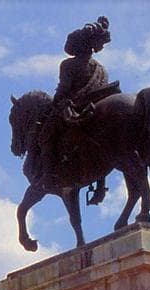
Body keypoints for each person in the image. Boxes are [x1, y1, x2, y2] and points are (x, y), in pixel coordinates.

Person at [39, 16, 116, 203]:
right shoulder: (102, 68)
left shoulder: (68, 65)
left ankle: (48, 177)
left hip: (74, 108)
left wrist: (53, 103)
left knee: (45, 135)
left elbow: (64, 89)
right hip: (95, 108)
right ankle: (100, 186)